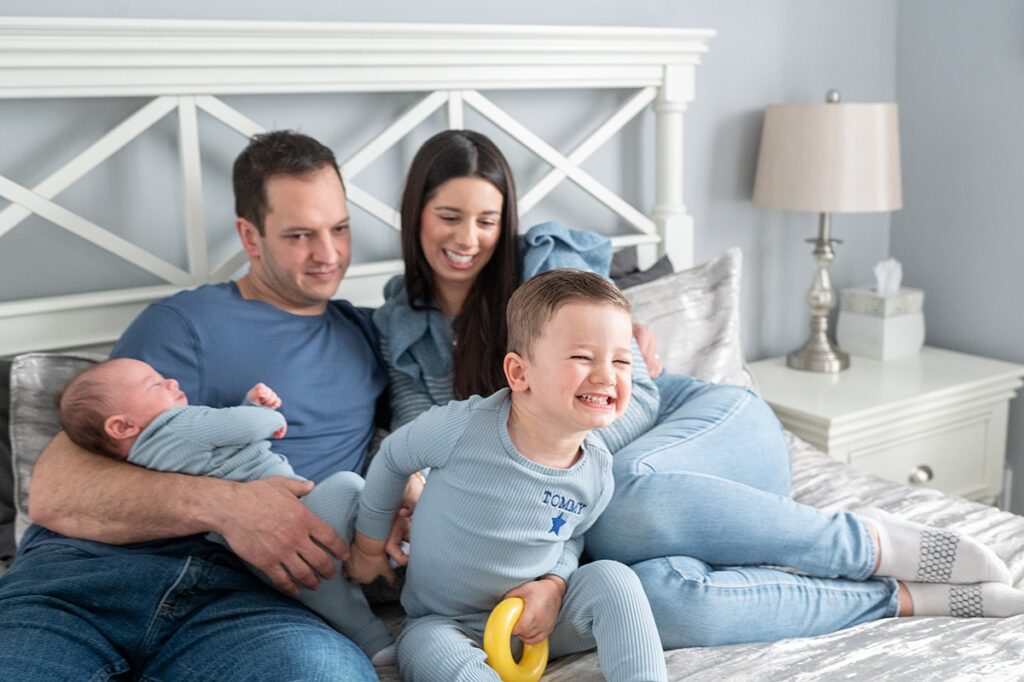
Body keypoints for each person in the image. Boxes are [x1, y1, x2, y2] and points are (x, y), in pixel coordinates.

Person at [373, 129, 1024, 650]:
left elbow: (639, 392)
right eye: (449, 216)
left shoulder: (549, 276)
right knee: (655, 601)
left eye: (487, 219)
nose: (468, 238)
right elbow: (418, 435)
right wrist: (424, 495)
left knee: (621, 497)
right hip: (582, 522)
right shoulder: (401, 320)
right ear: (415, 216)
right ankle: (896, 597)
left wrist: (560, 449)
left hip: (701, 429)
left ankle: (867, 543)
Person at [0, 130, 388, 680]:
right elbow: (56, 490)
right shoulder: (182, 325)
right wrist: (228, 507)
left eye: (340, 229)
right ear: (250, 238)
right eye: (300, 235)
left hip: (250, 603)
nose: (328, 255)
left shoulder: (370, 338)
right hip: (84, 581)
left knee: (326, 673)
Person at [349, 268, 667, 681]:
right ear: (519, 373)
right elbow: (393, 457)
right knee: (431, 652)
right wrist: (369, 546)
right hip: (447, 624)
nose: (607, 375)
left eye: (621, 360)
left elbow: (571, 535)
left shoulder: (598, 469)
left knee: (613, 579)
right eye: (582, 357)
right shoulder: (464, 427)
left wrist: (554, 584)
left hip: (536, 623)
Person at [56, 358, 393, 660]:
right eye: (156, 384)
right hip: (302, 518)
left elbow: (217, 450)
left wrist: (247, 406)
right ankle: (378, 550)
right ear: (122, 426)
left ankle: (375, 643)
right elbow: (246, 427)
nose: (172, 383)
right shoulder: (178, 424)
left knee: (330, 598)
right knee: (350, 484)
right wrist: (266, 414)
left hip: (256, 557)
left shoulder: (148, 457)